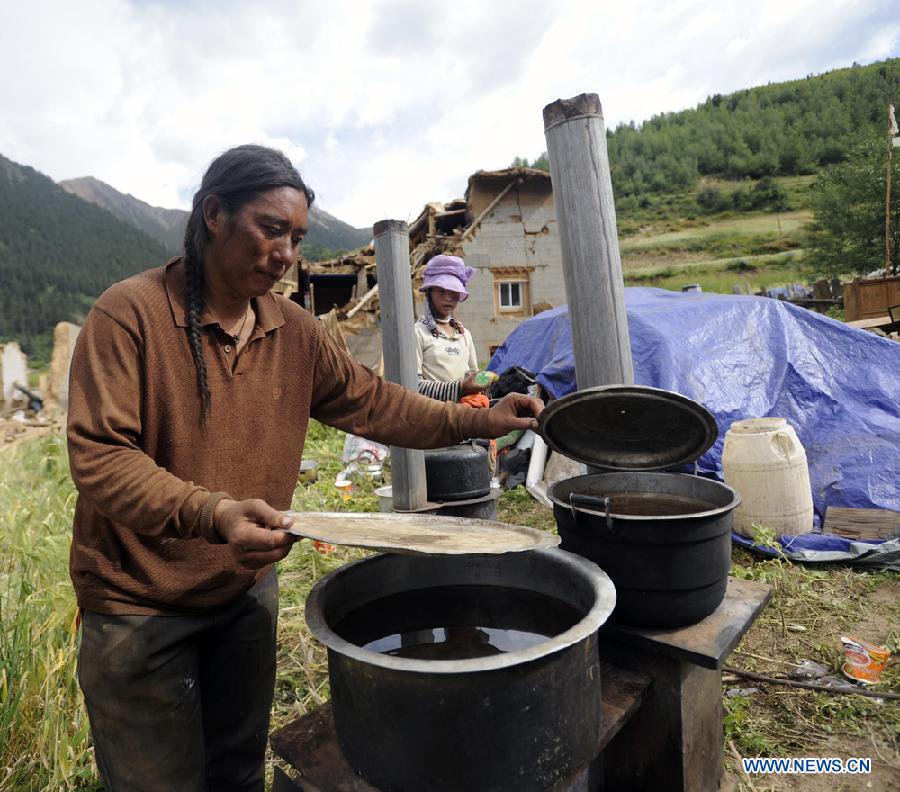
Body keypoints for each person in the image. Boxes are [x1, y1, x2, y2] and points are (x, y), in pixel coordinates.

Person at [66, 144, 542, 792]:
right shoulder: (130, 317)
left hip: (242, 595)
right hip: (138, 609)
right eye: (270, 229)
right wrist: (215, 513)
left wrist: (475, 417)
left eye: (297, 237)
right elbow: (101, 457)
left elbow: (376, 404)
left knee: (237, 772)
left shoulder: (294, 331)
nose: (287, 253)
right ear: (213, 213)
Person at [415, 254, 488, 404]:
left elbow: (472, 375)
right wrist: (460, 387)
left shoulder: (464, 335)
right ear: (429, 292)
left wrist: (486, 382)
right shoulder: (417, 332)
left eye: (454, 291)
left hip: (463, 419)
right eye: (441, 291)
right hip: (433, 418)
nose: (448, 298)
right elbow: (414, 385)